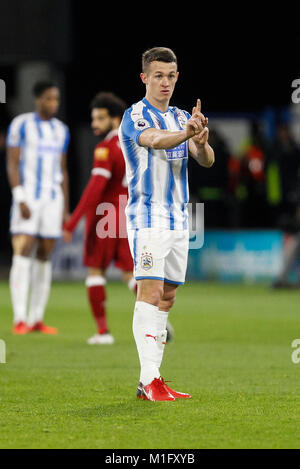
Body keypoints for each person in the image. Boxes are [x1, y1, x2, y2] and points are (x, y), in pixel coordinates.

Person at [119, 47, 214, 401]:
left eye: (171, 76)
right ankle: (148, 379)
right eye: (158, 75)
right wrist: (187, 134)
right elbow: (156, 141)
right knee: (150, 291)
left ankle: (154, 379)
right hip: (147, 218)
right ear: (144, 77)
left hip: (179, 218)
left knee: (169, 295)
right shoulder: (134, 116)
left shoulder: (180, 116)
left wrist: (201, 143)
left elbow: (205, 160)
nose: (165, 82)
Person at [63, 92, 136, 344]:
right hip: (127, 214)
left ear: (115, 120)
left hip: (106, 214)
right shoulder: (134, 143)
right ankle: (157, 320)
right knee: (130, 274)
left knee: (95, 271)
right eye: (93, 118)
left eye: (100, 118)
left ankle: (103, 332)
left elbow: (95, 187)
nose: (95, 123)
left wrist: (73, 222)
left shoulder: (105, 148)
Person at [6, 81, 70, 335]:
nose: (53, 104)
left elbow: (62, 170)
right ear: (38, 100)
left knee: (44, 254)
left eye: (56, 99)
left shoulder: (61, 130)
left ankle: (36, 318)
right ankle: (19, 318)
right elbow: (12, 164)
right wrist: (19, 197)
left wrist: (65, 207)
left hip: (52, 199)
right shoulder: (21, 124)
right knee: (22, 250)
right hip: (28, 197)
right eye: (48, 99)